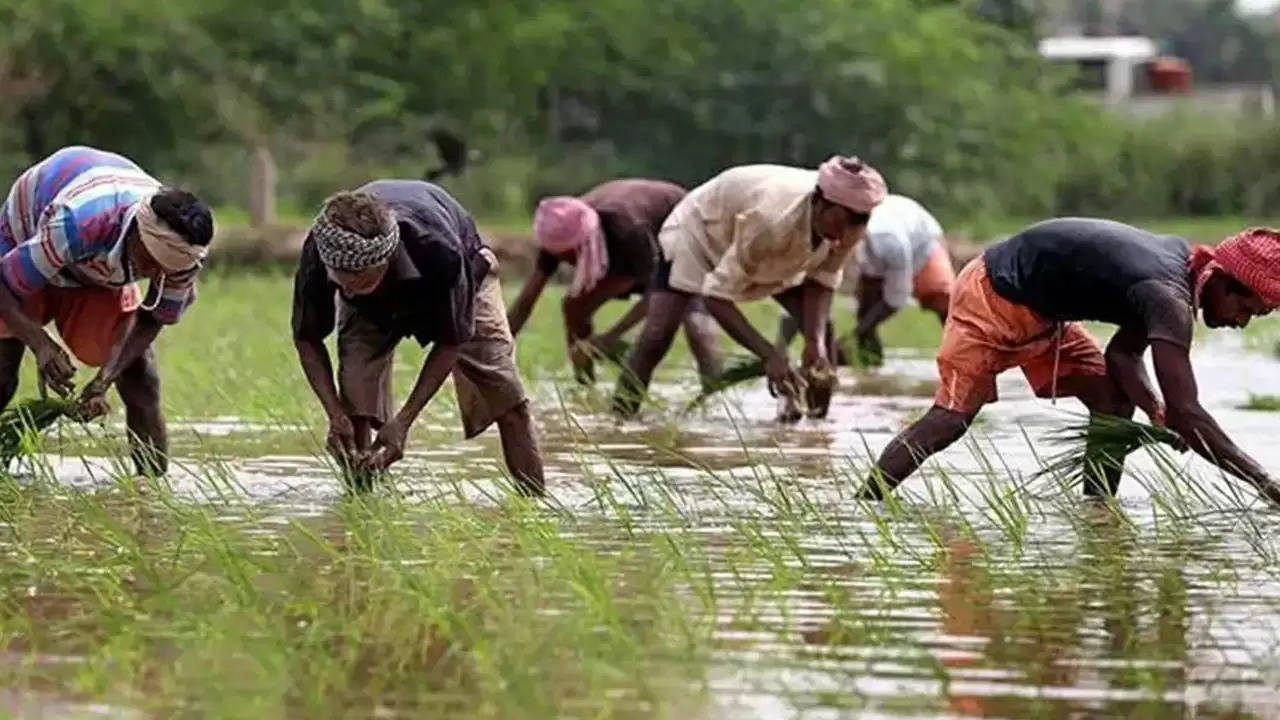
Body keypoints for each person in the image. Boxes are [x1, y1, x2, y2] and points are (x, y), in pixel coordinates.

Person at [860, 219, 1280, 506]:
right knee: (950, 420)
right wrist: (1265, 484)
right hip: (993, 294)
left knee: (1113, 404)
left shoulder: (1178, 274)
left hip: (1044, 315)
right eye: (1249, 311)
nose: (1242, 323)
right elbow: (1188, 413)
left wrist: (1154, 409)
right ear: (1223, 282)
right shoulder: (1168, 296)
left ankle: (1097, 512)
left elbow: (1123, 354)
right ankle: (867, 504)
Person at [291, 181, 544, 495]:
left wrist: (404, 422)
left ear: (385, 260)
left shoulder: (440, 252)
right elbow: (306, 337)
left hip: (463, 282)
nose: (351, 287)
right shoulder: (321, 252)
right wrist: (334, 414)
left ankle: (534, 503)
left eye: (362, 279)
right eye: (342, 281)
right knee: (355, 401)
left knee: (507, 395)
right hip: (369, 309)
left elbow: (452, 340)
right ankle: (361, 503)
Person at [613, 156, 888, 420]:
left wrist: (814, 345)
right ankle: (621, 418)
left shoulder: (849, 226)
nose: (840, 238)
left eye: (851, 229)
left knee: (820, 340)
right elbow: (715, 296)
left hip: (769, 252)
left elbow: (823, 279)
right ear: (820, 203)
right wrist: (769, 354)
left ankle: (814, 428)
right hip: (701, 233)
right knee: (658, 333)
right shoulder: (771, 220)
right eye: (838, 225)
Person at [0, 145, 213, 475]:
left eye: (166, 269)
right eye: (152, 263)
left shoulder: (184, 258)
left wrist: (105, 378)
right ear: (137, 236)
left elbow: (152, 317)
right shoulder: (78, 221)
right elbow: (3, 283)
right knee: (2, 369)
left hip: (95, 271)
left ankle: (150, 492)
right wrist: (39, 343)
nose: (157, 274)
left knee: (140, 373)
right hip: (25, 240)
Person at [506, 179, 721, 384]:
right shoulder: (558, 231)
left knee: (690, 312)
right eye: (561, 257)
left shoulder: (627, 230)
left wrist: (611, 336)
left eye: (571, 255)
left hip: (680, 226)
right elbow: (526, 300)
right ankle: (585, 384)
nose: (567, 263)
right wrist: (496, 345)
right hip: (620, 251)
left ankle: (715, 388)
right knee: (574, 306)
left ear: (585, 241)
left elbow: (656, 296)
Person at [776, 193, 954, 365]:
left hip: (922, 244)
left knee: (942, 301)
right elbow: (804, 292)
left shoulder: (890, 242)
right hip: (875, 252)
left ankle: (960, 356)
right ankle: (870, 361)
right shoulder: (828, 237)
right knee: (865, 310)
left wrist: (851, 337)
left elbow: (896, 298)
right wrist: (780, 350)